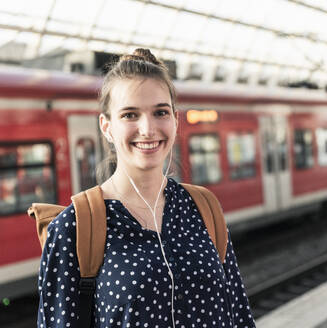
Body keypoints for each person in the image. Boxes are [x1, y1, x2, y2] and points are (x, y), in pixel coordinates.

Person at [37, 48, 256, 328]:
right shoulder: (74, 228)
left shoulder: (203, 208)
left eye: (160, 112)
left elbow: (238, 316)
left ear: (175, 120)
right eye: (130, 115)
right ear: (107, 127)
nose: (148, 129)